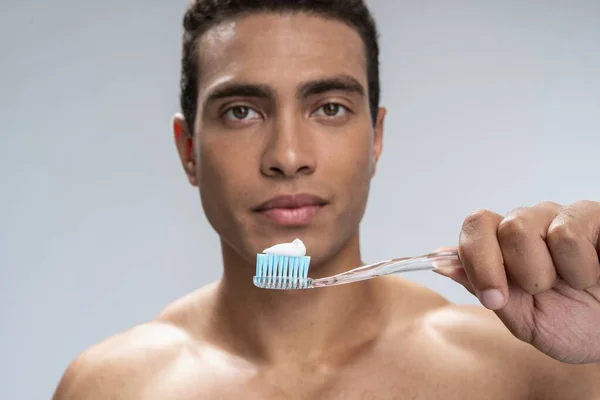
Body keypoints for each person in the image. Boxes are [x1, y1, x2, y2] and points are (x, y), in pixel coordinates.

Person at [52, 1, 600, 398]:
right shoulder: (109, 388)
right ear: (188, 150)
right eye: (242, 111)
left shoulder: (530, 370)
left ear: (376, 138)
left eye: (330, 107)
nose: (288, 156)